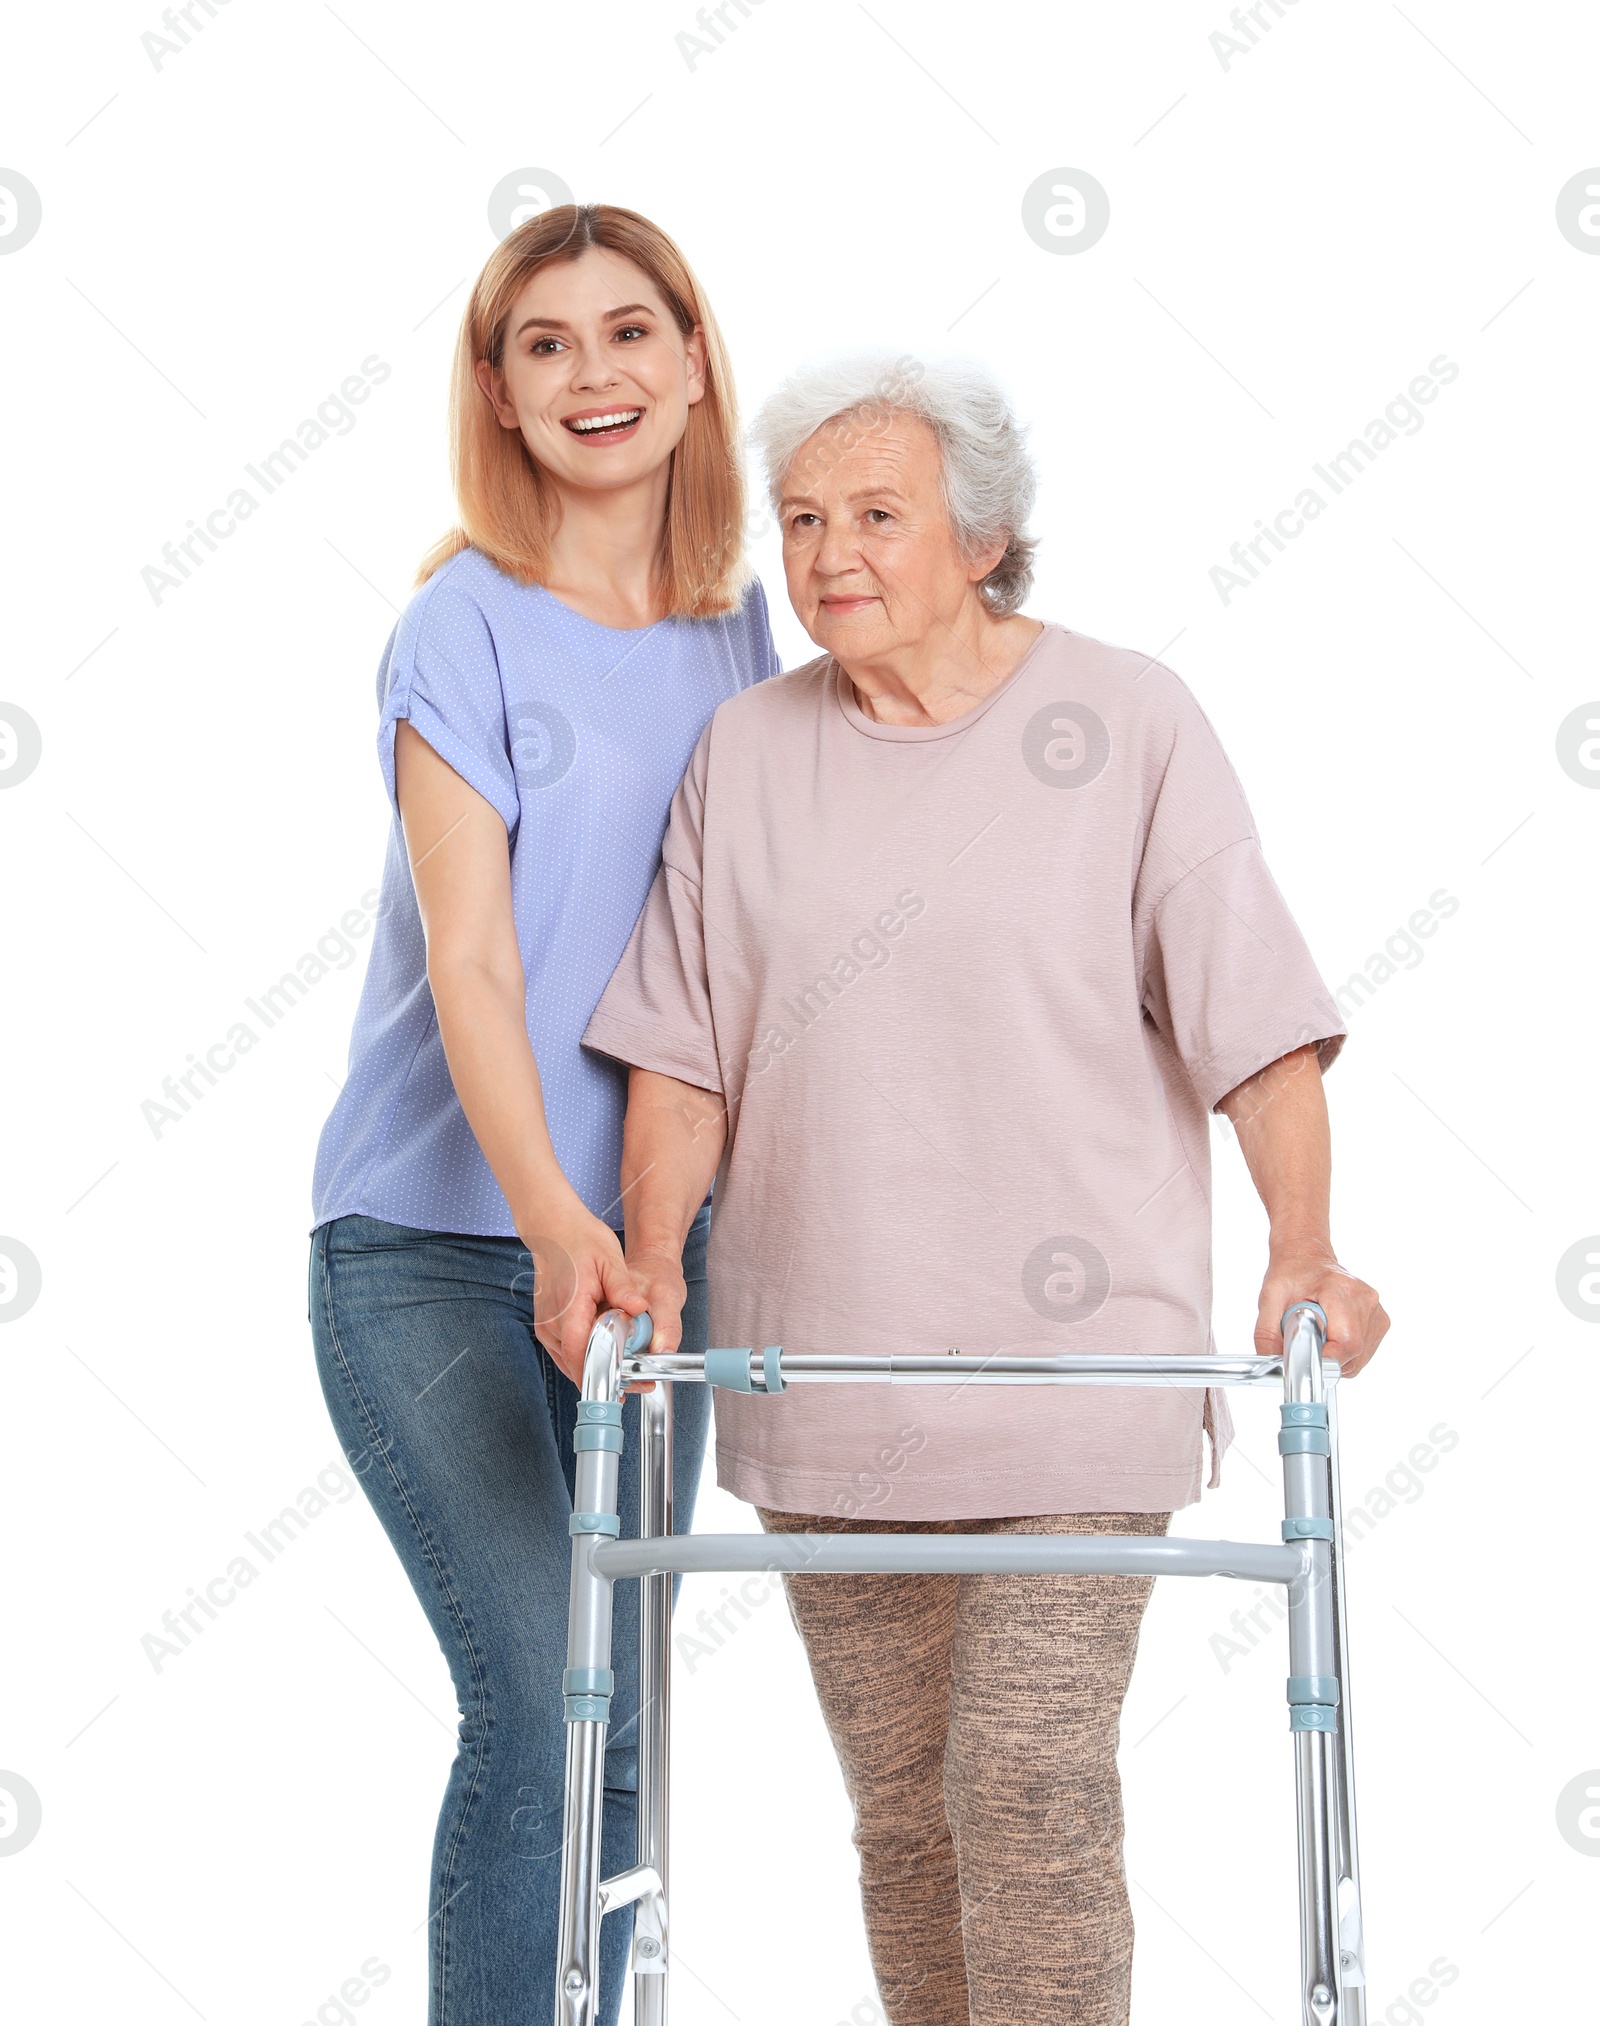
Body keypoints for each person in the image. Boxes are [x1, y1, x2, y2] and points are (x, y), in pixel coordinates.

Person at [577, 354, 1389, 2025]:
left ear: (984, 537)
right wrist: (653, 1255)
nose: (826, 556)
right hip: (824, 1384)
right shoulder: (748, 752)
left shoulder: (1129, 721)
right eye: (801, 521)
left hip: (1080, 1390)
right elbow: (685, 1055)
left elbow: (1254, 1023)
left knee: (1021, 1791)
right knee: (904, 1824)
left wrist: (1306, 1244)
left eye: (875, 515)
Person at [306, 204, 778, 2026]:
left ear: (693, 363)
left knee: (634, 1725)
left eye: (631, 331)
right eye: (548, 344)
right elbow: (477, 968)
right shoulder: (460, 624)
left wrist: (640, 1239)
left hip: (654, 1261)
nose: (596, 374)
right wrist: (552, 1224)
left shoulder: (749, 645)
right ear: (497, 396)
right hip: (429, 1253)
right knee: (538, 1685)